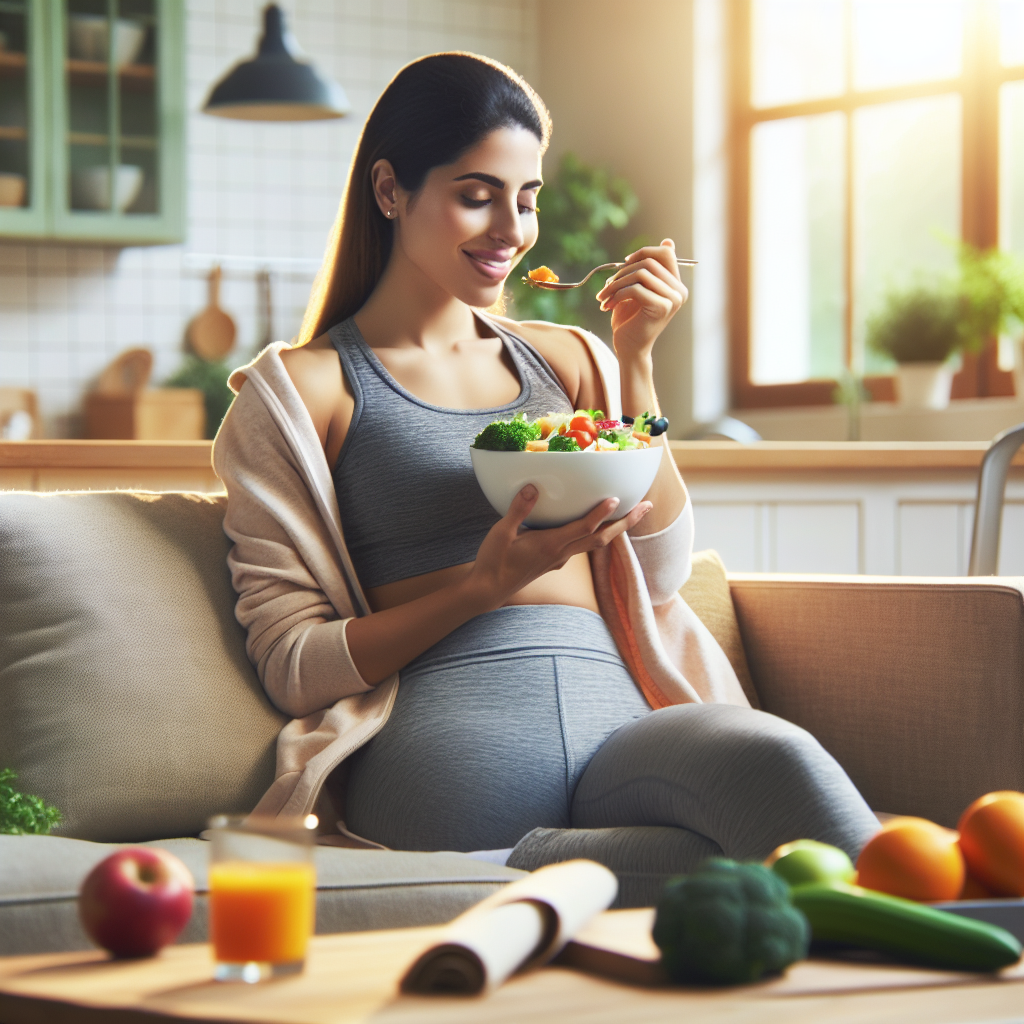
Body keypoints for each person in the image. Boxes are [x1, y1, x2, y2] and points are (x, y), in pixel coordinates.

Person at [213, 52, 878, 893]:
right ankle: (497, 879)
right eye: (477, 195)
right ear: (389, 191)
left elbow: (658, 571)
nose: (512, 229)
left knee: (784, 772)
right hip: (449, 755)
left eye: (525, 199)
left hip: (624, 729)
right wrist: (479, 588)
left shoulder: (571, 360)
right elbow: (293, 664)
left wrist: (635, 361)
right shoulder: (303, 393)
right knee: (745, 879)